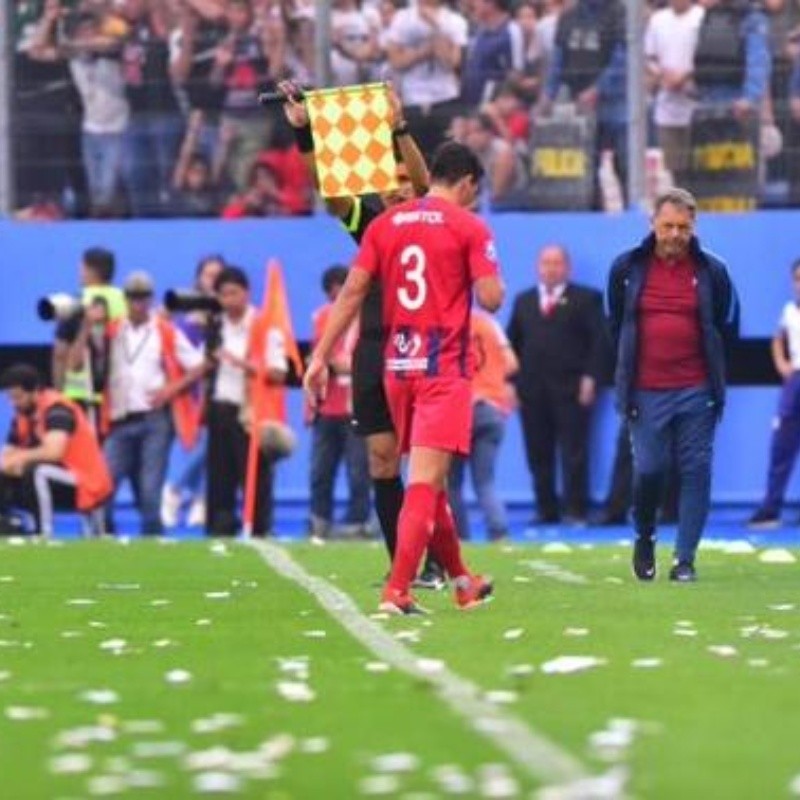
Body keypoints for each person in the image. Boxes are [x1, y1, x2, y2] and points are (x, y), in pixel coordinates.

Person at [304, 141, 505, 615]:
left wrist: (319, 357)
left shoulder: (384, 225)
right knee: (426, 480)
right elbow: (492, 299)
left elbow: (353, 292)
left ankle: (462, 581)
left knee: (426, 480)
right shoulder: (469, 226)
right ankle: (398, 588)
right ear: (469, 183)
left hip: (396, 365)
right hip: (442, 367)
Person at [279, 78, 445, 587]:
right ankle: (404, 563)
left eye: (403, 177)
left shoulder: (433, 218)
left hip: (424, 347)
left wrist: (399, 127)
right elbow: (332, 196)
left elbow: (424, 179)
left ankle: (440, 556)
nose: (396, 185)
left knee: (429, 461)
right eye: (389, 178)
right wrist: (307, 138)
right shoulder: (371, 222)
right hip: (376, 349)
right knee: (381, 456)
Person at [607, 187, 739, 582]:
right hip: (645, 391)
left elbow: (726, 325)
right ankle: (645, 535)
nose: (675, 234)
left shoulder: (712, 271)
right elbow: (616, 324)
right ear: (653, 224)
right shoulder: (626, 268)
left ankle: (685, 559)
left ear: (694, 227)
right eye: (668, 226)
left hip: (696, 389)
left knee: (697, 469)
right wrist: (627, 378)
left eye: (683, 227)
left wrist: (712, 375)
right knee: (649, 469)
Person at [71, 271, 205, 535]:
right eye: (133, 297)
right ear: (125, 299)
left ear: (151, 299)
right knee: (103, 485)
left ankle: (153, 545)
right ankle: (103, 539)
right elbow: (75, 364)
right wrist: (87, 326)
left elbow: (198, 365)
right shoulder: (111, 330)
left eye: (143, 298)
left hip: (154, 420)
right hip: (119, 419)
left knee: (149, 491)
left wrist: (171, 389)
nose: (138, 304)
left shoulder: (164, 331)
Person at [507, 245, 608, 525]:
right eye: (546, 263)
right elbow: (510, 345)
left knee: (574, 452)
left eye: (557, 263)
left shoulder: (587, 299)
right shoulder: (523, 301)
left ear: (567, 267)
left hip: (573, 390)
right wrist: (511, 384)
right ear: (538, 267)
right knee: (538, 452)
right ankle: (546, 509)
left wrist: (591, 378)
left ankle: (576, 509)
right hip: (532, 392)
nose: (551, 268)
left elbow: (600, 344)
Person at [205, 266, 289, 536]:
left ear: (246, 293)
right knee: (219, 478)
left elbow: (279, 372)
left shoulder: (265, 326)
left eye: (234, 293)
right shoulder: (215, 325)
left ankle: (259, 531)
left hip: (250, 413)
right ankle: (220, 532)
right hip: (220, 408)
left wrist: (242, 364)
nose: (229, 300)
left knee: (254, 479)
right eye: (223, 294)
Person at [0, 364, 112, 536]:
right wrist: (10, 462)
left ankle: (44, 533)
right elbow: (7, 455)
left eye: (18, 397)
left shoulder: (57, 410)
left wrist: (18, 458)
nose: (14, 403)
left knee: (37, 471)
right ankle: (8, 525)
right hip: (56, 474)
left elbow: (54, 452)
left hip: (82, 479)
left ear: (35, 392)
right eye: (10, 398)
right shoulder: (21, 416)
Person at [162, 255, 226, 529]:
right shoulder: (186, 320)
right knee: (205, 445)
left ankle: (199, 498)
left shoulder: (230, 313)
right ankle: (177, 488)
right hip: (195, 391)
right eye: (208, 275)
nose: (212, 280)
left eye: (217, 275)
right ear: (199, 279)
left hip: (225, 388)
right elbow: (188, 359)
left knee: (214, 448)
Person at [307, 265, 370, 541]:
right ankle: (320, 521)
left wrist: (353, 367)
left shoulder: (370, 316)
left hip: (358, 405)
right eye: (333, 294)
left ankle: (357, 522)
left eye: (342, 291)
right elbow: (314, 359)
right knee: (321, 469)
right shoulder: (321, 318)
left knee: (359, 470)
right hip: (328, 404)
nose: (338, 299)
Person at [448, 309, 518, 542]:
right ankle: (499, 532)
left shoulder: (444, 324)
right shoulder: (488, 324)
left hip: (457, 408)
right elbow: (511, 363)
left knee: (452, 482)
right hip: (490, 408)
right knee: (485, 481)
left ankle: (459, 537)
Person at [51, 247, 127, 432]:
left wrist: (58, 394)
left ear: (88, 270)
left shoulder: (76, 303)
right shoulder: (125, 301)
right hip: (118, 396)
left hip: (80, 394)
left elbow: (60, 353)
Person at [749, 258, 800, 527]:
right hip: (795, 383)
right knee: (782, 445)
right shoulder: (789, 310)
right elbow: (778, 338)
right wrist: (782, 363)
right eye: (798, 279)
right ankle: (771, 508)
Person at [644, 0, 706, 186]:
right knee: (673, 168)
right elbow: (648, 56)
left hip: (697, 105)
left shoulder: (701, 17)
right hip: (666, 106)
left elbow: (707, 55)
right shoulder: (657, 20)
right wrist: (663, 76)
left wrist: (685, 77)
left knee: (698, 164)